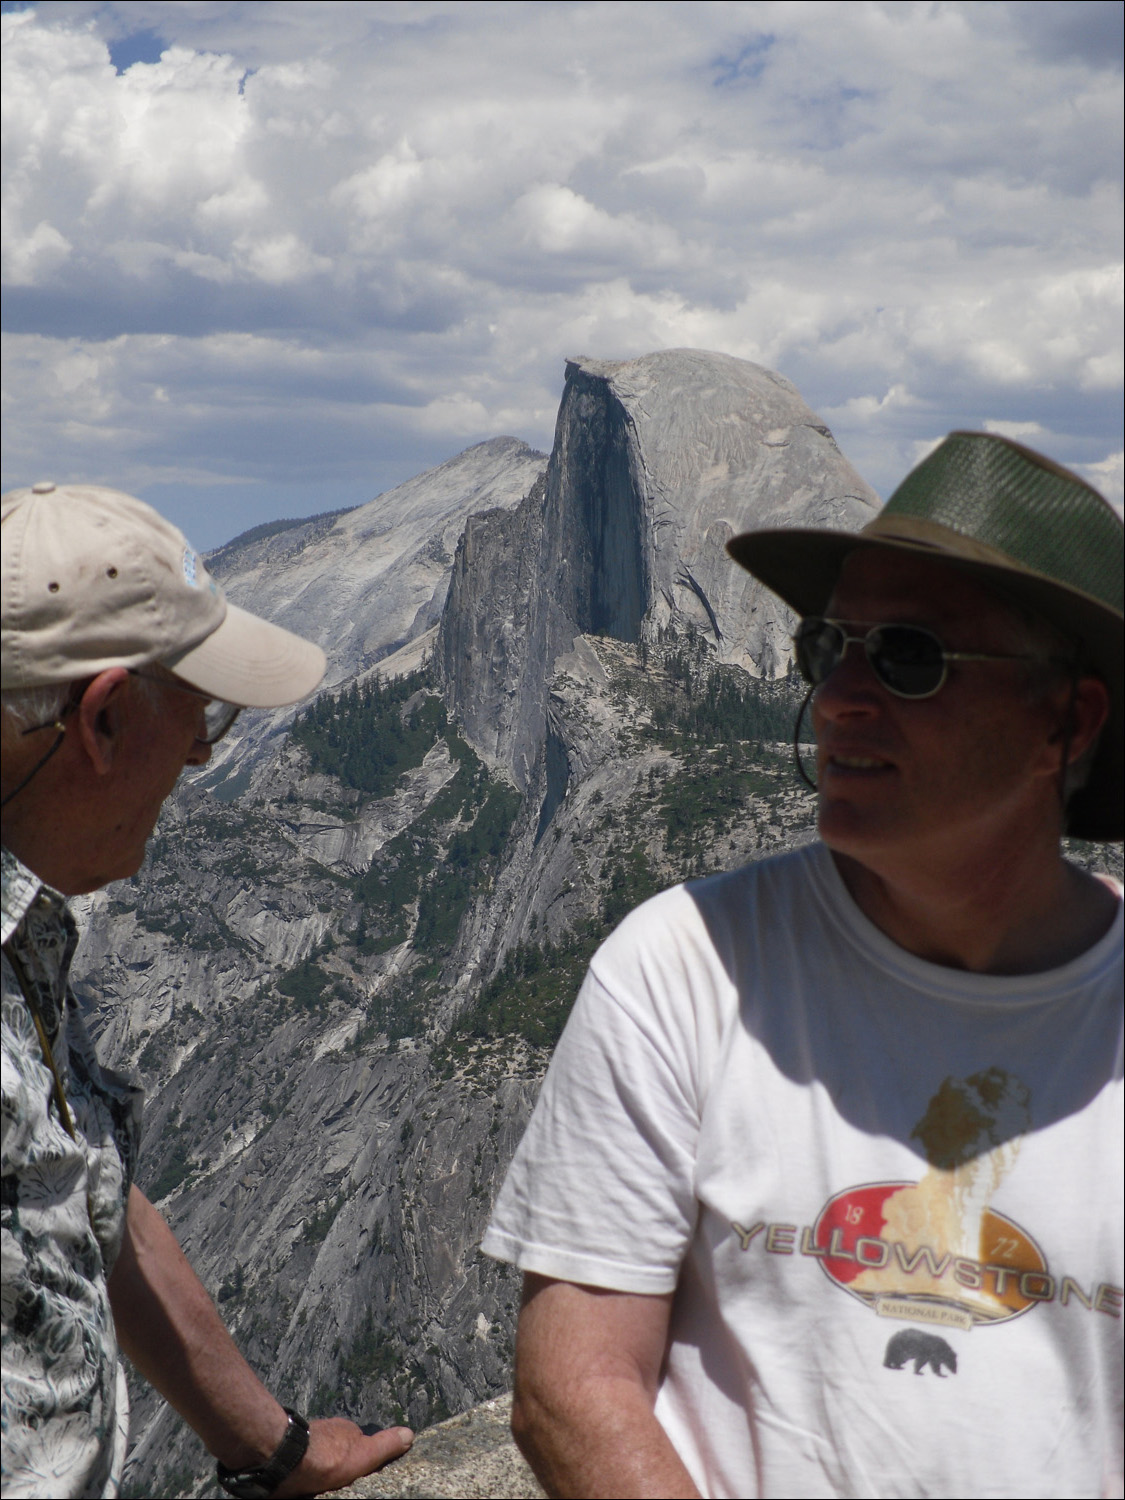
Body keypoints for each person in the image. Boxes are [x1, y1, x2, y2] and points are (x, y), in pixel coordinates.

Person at [482, 432, 1123, 1499]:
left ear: (1067, 719)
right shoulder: (683, 966)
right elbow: (572, 1387)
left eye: (911, 657)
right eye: (830, 648)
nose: (839, 701)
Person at [1, 482, 413, 1499]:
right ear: (99, 719)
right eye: (202, 718)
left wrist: (274, 1446)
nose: (201, 756)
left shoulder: (28, 941)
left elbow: (86, 1185)